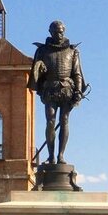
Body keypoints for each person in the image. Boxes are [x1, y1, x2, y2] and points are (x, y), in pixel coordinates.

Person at [28, 20, 86, 164]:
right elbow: (36, 75)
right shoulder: (42, 51)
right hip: (50, 89)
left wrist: (78, 91)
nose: (59, 34)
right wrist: (40, 72)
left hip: (67, 88)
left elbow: (77, 73)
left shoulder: (72, 51)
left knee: (64, 120)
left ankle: (60, 155)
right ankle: (51, 156)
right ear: (50, 32)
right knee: (50, 121)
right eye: (56, 32)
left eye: (61, 32)